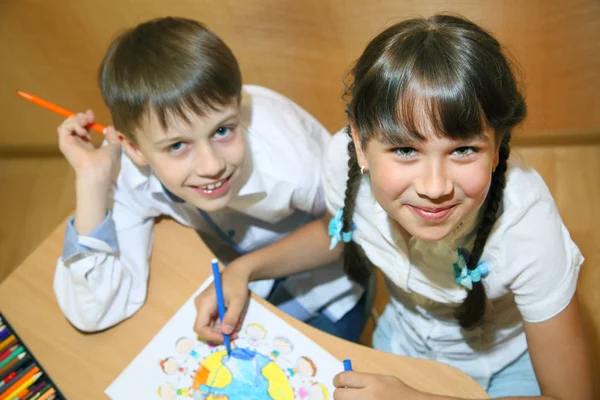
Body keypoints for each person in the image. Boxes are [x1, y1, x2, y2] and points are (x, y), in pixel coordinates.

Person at [195, 14, 593, 399]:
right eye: (405, 150)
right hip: (403, 341)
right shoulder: (345, 160)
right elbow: (340, 228)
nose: (435, 188)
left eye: (464, 150)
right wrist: (245, 270)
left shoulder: (528, 228)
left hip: (506, 367)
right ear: (360, 141)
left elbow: (568, 395)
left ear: (498, 145)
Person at [53, 16, 365, 342]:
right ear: (133, 148)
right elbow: (93, 311)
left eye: (222, 130)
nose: (211, 165)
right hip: (235, 285)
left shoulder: (290, 162)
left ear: (237, 107)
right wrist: (92, 180)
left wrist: (244, 269)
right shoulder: (127, 169)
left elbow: (345, 230)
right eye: (177, 146)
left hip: (329, 291)